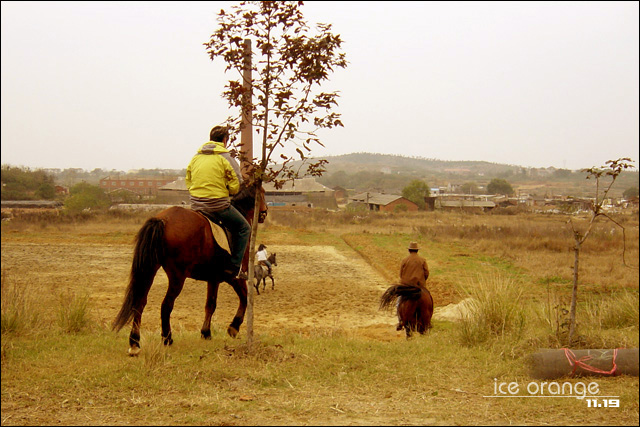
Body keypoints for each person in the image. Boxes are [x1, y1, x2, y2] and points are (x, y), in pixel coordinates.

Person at [186, 125, 251, 282]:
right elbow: (237, 183)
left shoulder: (196, 157)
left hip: (196, 205)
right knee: (244, 228)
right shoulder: (226, 158)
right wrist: (230, 191)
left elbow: (188, 180)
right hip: (218, 206)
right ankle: (235, 267)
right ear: (224, 140)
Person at [397, 241, 430, 330]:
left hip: (407, 287)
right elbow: (426, 273)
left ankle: (400, 321)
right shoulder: (423, 260)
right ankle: (428, 321)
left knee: (399, 302)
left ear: (409, 250)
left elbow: (401, 274)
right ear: (417, 251)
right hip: (420, 286)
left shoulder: (404, 260)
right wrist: (422, 281)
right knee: (429, 299)